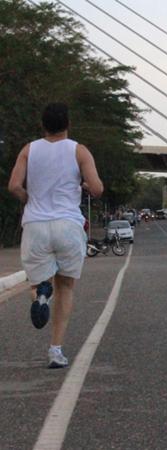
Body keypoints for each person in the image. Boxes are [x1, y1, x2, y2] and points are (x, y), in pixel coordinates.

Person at [8, 103, 103, 369]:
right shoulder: (78, 150)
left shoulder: (29, 149)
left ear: (43, 125)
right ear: (67, 124)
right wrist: (83, 185)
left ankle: (41, 295)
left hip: (36, 225)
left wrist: (30, 200)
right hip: (68, 225)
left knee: (38, 283)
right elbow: (97, 189)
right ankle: (55, 351)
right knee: (66, 287)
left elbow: (14, 185)